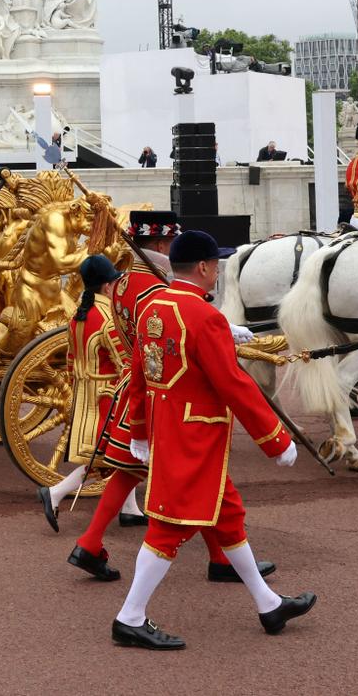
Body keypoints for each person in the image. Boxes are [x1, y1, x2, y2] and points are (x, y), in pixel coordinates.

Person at [109, 230, 312, 650]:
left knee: (228, 515)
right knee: (167, 529)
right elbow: (233, 384)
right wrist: (275, 439)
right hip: (196, 436)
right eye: (216, 264)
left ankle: (267, 603)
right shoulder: (204, 317)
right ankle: (129, 617)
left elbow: (140, 374)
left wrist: (140, 432)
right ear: (203, 268)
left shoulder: (153, 307)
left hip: (170, 430)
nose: (218, 270)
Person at [60, 213, 262, 585]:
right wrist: (224, 330)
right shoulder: (151, 286)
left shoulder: (122, 281)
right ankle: (219, 559)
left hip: (140, 388)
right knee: (197, 476)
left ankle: (217, 556)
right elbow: (174, 330)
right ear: (164, 245)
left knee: (130, 472)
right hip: (162, 393)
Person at [35, 255, 130, 525]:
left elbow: (70, 361)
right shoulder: (108, 318)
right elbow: (124, 362)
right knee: (106, 459)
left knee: (127, 458)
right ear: (107, 286)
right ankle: (55, 493)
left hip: (86, 393)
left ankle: (131, 509)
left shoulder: (79, 315)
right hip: (108, 396)